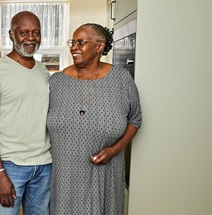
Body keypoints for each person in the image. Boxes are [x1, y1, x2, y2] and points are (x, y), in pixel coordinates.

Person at [47, 23, 142, 215]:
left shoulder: (122, 79)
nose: (74, 47)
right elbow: (35, 114)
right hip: (65, 175)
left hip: (105, 173)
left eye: (80, 42)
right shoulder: (56, 82)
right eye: (72, 42)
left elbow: (136, 118)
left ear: (99, 46)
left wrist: (115, 149)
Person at [0, 11, 52, 215]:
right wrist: (0, 174)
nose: (31, 38)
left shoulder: (43, 70)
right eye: (24, 32)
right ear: (11, 35)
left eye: (36, 33)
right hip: (11, 166)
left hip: (44, 164)